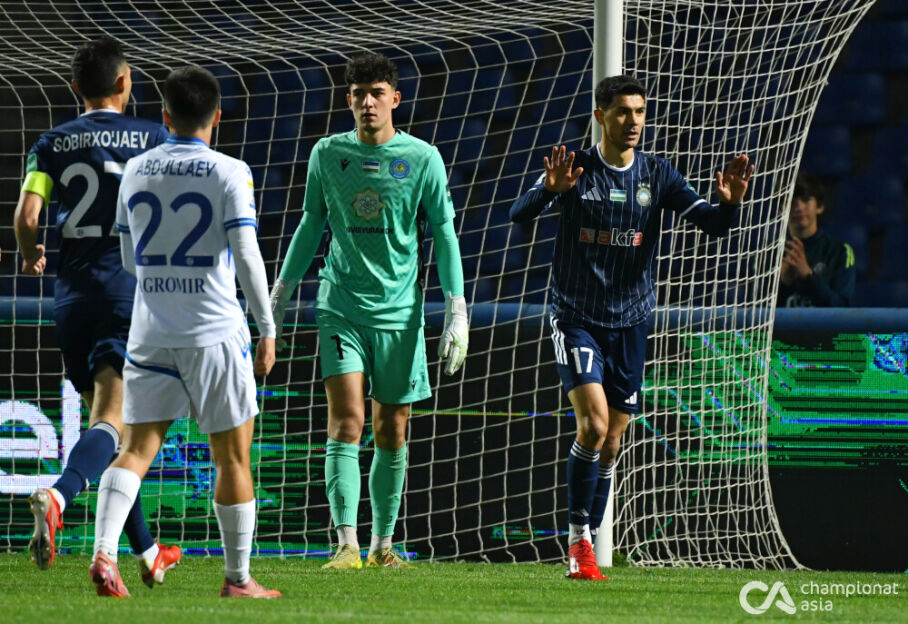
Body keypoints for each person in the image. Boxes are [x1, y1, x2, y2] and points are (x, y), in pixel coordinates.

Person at [509, 75, 754, 580]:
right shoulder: (575, 167)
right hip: (576, 316)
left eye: (640, 111)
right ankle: (579, 542)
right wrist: (549, 192)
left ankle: (587, 542)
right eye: (623, 111)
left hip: (631, 321)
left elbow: (713, 225)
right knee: (594, 426)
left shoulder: (657, 174)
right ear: (601, 116)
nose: (634, 121)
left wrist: (729, 204)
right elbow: (518, 214)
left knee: (613, 442)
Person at [270, 52, 468, 570]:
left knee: (392, 429)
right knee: (347, 420)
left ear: (395, 99)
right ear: (348, 100)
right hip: (340, 305)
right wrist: (280, 293)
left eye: (377, 93)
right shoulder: (327, 153)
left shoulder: (422, 159)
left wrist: (457, 309)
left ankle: (383, 545)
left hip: (400, 315)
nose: (367, 103)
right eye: (359, 94)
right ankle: (346, 544)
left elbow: (444, 234)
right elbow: (311, 223)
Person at [89, 65, 279, 598]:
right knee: (232, 457)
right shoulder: (230, 171)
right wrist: (266, 326)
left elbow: (129, 257)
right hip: (213, 333)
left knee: (135, 449)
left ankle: (105, 554)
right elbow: (247, 255)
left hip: (150, 330)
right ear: (216, 117)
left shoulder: (136, 169)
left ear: (165, 115)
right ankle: (238, 580)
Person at [13, 35, 180, 584]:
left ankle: (147, 552)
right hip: (127, 291)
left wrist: (30, 254)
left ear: (73, 88)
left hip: (72, 296)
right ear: (125, 82)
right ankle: (59, 496)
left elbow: (28, 217)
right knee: (116, 419)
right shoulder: (153, 137)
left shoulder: (51, 143)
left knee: (107, 425)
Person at [778, 172, 855, 307]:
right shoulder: (767, 254)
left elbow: (843, 308)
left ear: (819, 206)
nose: (799, 207)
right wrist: (783, 284)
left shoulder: (840, 251)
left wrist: (809, 277)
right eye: (791, 200)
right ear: (781, 209)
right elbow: (755, 311)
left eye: (806, 199)